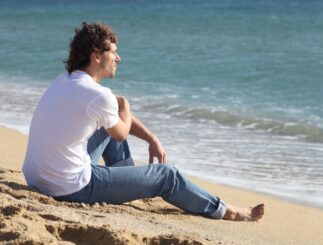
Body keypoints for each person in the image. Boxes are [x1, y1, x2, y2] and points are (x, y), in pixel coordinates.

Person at [22, 22, 264, 221]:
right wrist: (125, 105)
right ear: (96, 56)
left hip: (38, 178)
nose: (119, 58)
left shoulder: (65, 81)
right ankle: (225, 210)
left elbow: (113, 116)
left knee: (111, 120)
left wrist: (151, 138)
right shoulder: (98, 95)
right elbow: (120, 132)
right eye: (113, 52)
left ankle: (128, 181)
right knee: (166, 176)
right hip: (70, 188)